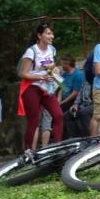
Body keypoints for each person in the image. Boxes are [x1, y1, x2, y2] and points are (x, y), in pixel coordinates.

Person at [18, 22, 64, 150]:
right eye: (48, 33)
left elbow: (51, 66)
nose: (52, 36)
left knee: (58, 115)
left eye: (52, 33)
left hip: (47, 87)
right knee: (34, 120)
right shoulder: (31, 51)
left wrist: (55, 71)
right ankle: (28, 152)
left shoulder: (52, 49)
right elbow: (23, 73)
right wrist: (41, 77)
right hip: (32, 87)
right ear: (39, 35)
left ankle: (57, 148)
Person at [58, 55, 89, 139]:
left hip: (71, 100)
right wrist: (58, 99)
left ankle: (68, 136)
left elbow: (75, 93)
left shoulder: (78, 75)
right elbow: (61, 89)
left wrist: (62, 102)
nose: (61, 66)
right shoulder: (64, 75)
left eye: (62, 64)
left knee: (61, 114)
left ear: (67, 64)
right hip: (64, 99)